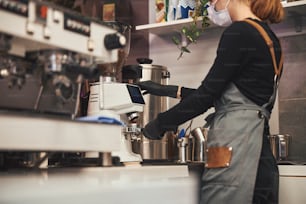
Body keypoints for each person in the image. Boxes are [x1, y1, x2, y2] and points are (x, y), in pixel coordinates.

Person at [137, 0, 284, 203]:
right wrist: (168, 90)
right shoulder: (270, 38)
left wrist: (160, 123)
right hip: (262, 161)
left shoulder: (240, 32)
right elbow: (228, 98)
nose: (212, 3)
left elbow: (207, 96)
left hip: (237, 156)